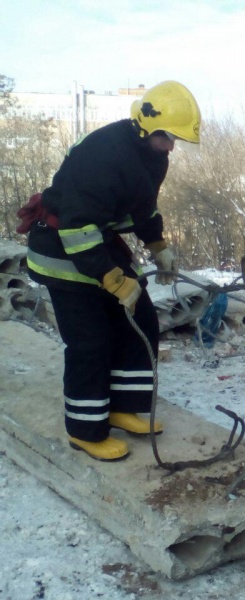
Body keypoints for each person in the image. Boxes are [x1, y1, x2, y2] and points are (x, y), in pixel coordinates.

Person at [24, 80, 201, 461]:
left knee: (140, 319)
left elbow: (143, 207)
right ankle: (86, 429)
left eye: (175, 140)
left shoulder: (152, 156)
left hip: (96, 242)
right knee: (90, 341)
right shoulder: (103, 155)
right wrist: (112, 279)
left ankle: (121, 406)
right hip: (63, 249)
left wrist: (159, 247)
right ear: (145, 125)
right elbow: (76, 226)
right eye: (167, 137)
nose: (172, 146)